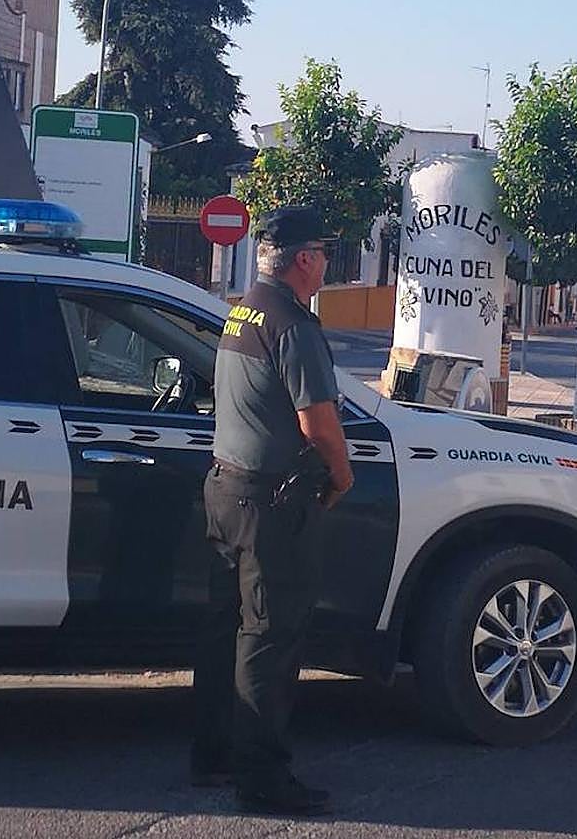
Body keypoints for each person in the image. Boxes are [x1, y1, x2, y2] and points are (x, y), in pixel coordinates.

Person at [192, 205, 354, 816]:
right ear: (305, 259)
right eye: (324, 254)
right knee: (269, 637)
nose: (326, 266)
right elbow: (319, 424)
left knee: (224, 632)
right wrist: (341, 476)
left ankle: (212, 755)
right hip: (270, 501)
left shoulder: (242, 310)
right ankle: (261, 777)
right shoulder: (294, 324)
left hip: (225, 488)